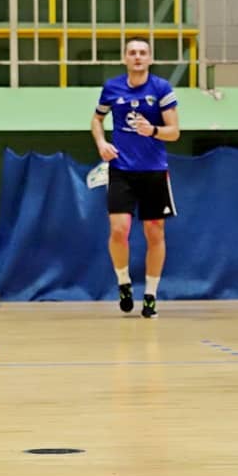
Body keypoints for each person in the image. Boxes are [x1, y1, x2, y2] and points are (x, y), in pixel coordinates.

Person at [90, 37, 179, 318]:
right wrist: (102, 143)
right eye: (132, 52)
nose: (137, 56)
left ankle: (150, 295)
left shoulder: (161, 88)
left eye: (142, 52)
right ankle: (123, 283)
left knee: (154, 232)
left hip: (154, 171)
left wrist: (152, 130)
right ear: (125, 58)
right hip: (121, 170)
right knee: (119, 230)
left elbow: (174, 132)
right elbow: (96, 119)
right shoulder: (112, 88)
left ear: (150, 58)